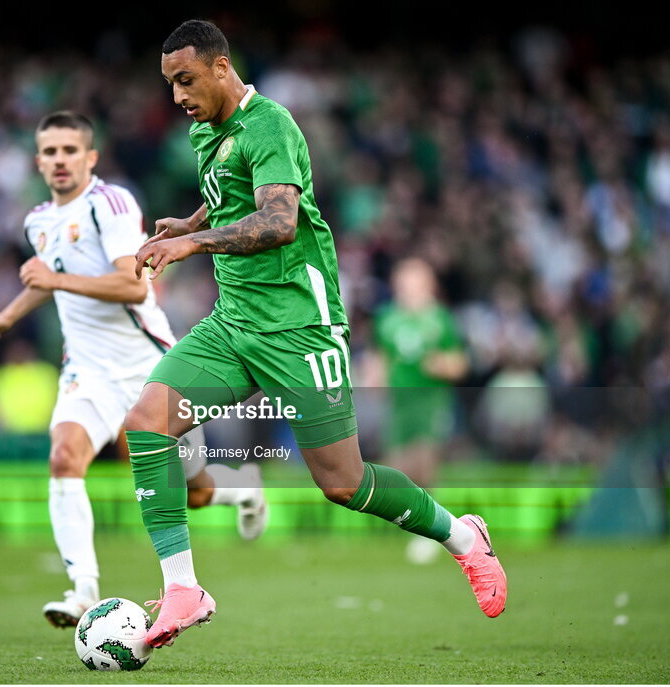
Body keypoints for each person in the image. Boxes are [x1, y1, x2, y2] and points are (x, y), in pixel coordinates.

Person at [126, 20, 508, 649]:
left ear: (222, 67)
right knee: (148, 422)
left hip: (301, 326)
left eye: (186, 80)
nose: (177, 98)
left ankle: (464, 536)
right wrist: (189, 222)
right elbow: (231, 194)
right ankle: (182, 590)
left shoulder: (272, 123)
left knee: (343, 484)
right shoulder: (206, 130)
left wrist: (193, 242)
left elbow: (279, 219)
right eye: (170, 84)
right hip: (235, 322)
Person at [0, 111, 267, 629]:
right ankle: (83, 590)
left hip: (150, 367)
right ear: (39, 161)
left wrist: (54, 282)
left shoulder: (111, 204)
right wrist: (8, 315)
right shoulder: (37, 220)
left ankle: (240, 487)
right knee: (65, 457)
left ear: (90, 157)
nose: (60, 160)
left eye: (70, 150)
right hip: (86, 372)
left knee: (193, 493)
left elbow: (133, 286)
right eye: (51, 151)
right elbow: (51, 278)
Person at [372, 258, 469, 564]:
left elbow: (459, 363)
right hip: (399, 404)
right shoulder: (387, 320)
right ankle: (417, 524)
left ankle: (437, 531)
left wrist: (441, 365)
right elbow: (381, 359)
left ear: (428, 287)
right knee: (399, 466)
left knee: (425, 464)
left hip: (430, 401)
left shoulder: (440, 320)